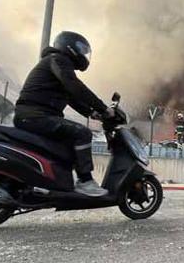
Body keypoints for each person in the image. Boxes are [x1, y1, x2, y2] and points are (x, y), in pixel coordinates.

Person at [14, 31, 113, 197]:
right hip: (35, 116)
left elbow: (71, 97)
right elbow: (74, 86)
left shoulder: (55, 63)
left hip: (34, 116)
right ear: (69, 46)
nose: (83, 54)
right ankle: (85, 181)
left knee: (67, 144)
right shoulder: (57, 60)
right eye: (81, 49)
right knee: (82, 133)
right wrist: (103, 108)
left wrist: (91, 112)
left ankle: (50, 181)